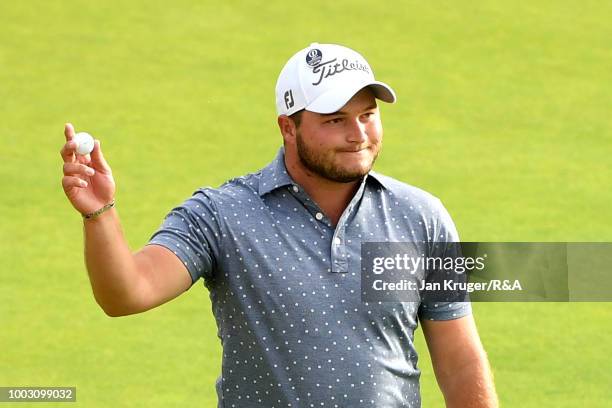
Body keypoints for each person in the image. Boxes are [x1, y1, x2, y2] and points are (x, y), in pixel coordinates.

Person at [60, 42, 498, 407]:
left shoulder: (419, 215)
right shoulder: (222, 215)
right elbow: (127, 292)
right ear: (288, 128)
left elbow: (459, 359)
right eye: (335, 120)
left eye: (367, 115)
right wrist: (100, 213)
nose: (359, 135)